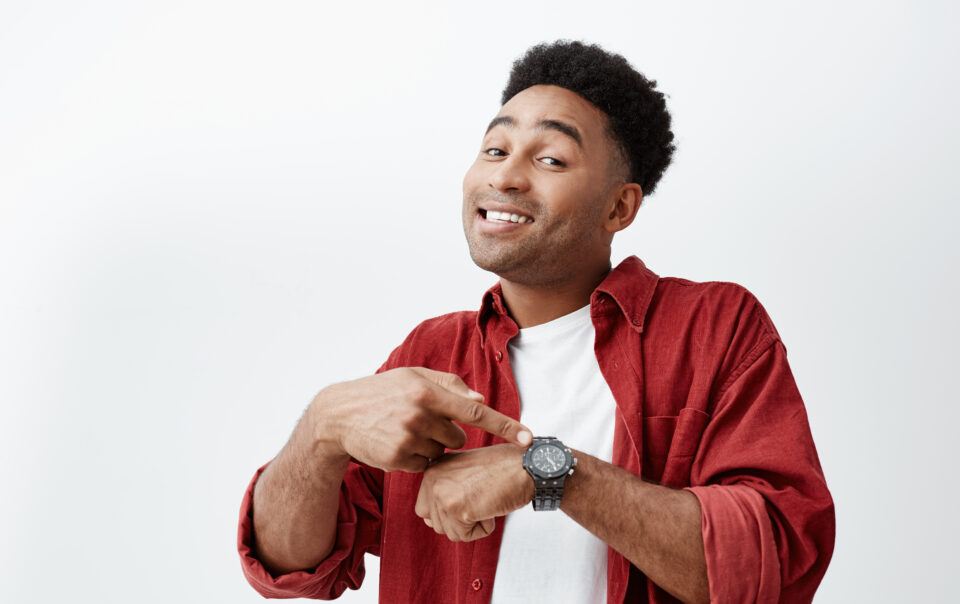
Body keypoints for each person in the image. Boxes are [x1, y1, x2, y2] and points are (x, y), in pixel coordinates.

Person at [237, 40, 835, 603]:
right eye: (495, 150)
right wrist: (321, 430)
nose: (505, 177)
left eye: (549, 157)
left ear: (619, 206)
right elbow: (291, 568)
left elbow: (770, 565)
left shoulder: (714, 327)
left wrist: (550, 473)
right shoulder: (430, 352)